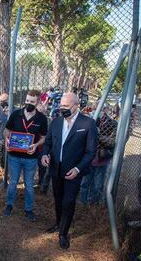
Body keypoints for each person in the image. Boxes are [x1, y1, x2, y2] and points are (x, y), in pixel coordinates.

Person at [41, 92, 98, 249]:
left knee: (68, 201)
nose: (62, 109)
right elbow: (48, 142)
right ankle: (59, 223)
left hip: (73, 171)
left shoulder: (88, 124)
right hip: (55, 169)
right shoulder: (56, 121)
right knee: (58, 199)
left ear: (76, 105)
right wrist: (45, 154)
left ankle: (63, 234)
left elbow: (91, 152)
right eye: (61, 106)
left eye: (66, 106)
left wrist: (78, 169)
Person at [4, 90, 48, 222]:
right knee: (13, 182)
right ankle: (9, 205)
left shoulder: (42, 118)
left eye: (32, 102)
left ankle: (29, 209)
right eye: (27, 101)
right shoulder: (16, 114)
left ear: (38, 102)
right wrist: (7, 139)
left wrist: (36, 145)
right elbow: (7, 130)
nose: (29, 103)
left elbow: (44, 137)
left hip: (31, 157)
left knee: (29, 185)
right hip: (14, 156)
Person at [79, 106, 117, 206]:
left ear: (106, 110)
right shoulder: (87, 122)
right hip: (88, 159)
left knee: (97, 185)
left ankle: (93, 204)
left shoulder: (112, 124)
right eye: (95, 108)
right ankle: (82, 203)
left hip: (101, 160)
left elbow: (112, 142)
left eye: (102, 108)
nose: (98, 111)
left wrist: (97, 135)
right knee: (84, 183)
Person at [0, 93, 9, 171]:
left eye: (4, 100)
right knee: (0, 157)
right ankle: (2, 170)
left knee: (8, 157)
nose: (2, 102)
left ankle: (7, 172)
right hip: (0, 138)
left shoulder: (14, 110)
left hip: (10, 138)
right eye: (0, 101)